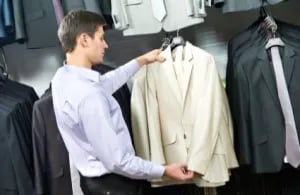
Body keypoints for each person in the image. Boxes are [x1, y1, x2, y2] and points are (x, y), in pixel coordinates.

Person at [51, 10, 194, 195]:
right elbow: (118, 161)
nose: (106, 45)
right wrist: (164, 170)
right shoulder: (89, 96)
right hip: (114, 185)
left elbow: (104, 84)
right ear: (84, 40)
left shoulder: (63, 78)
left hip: (94, 183)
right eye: (101, 38)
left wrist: (141, 61)